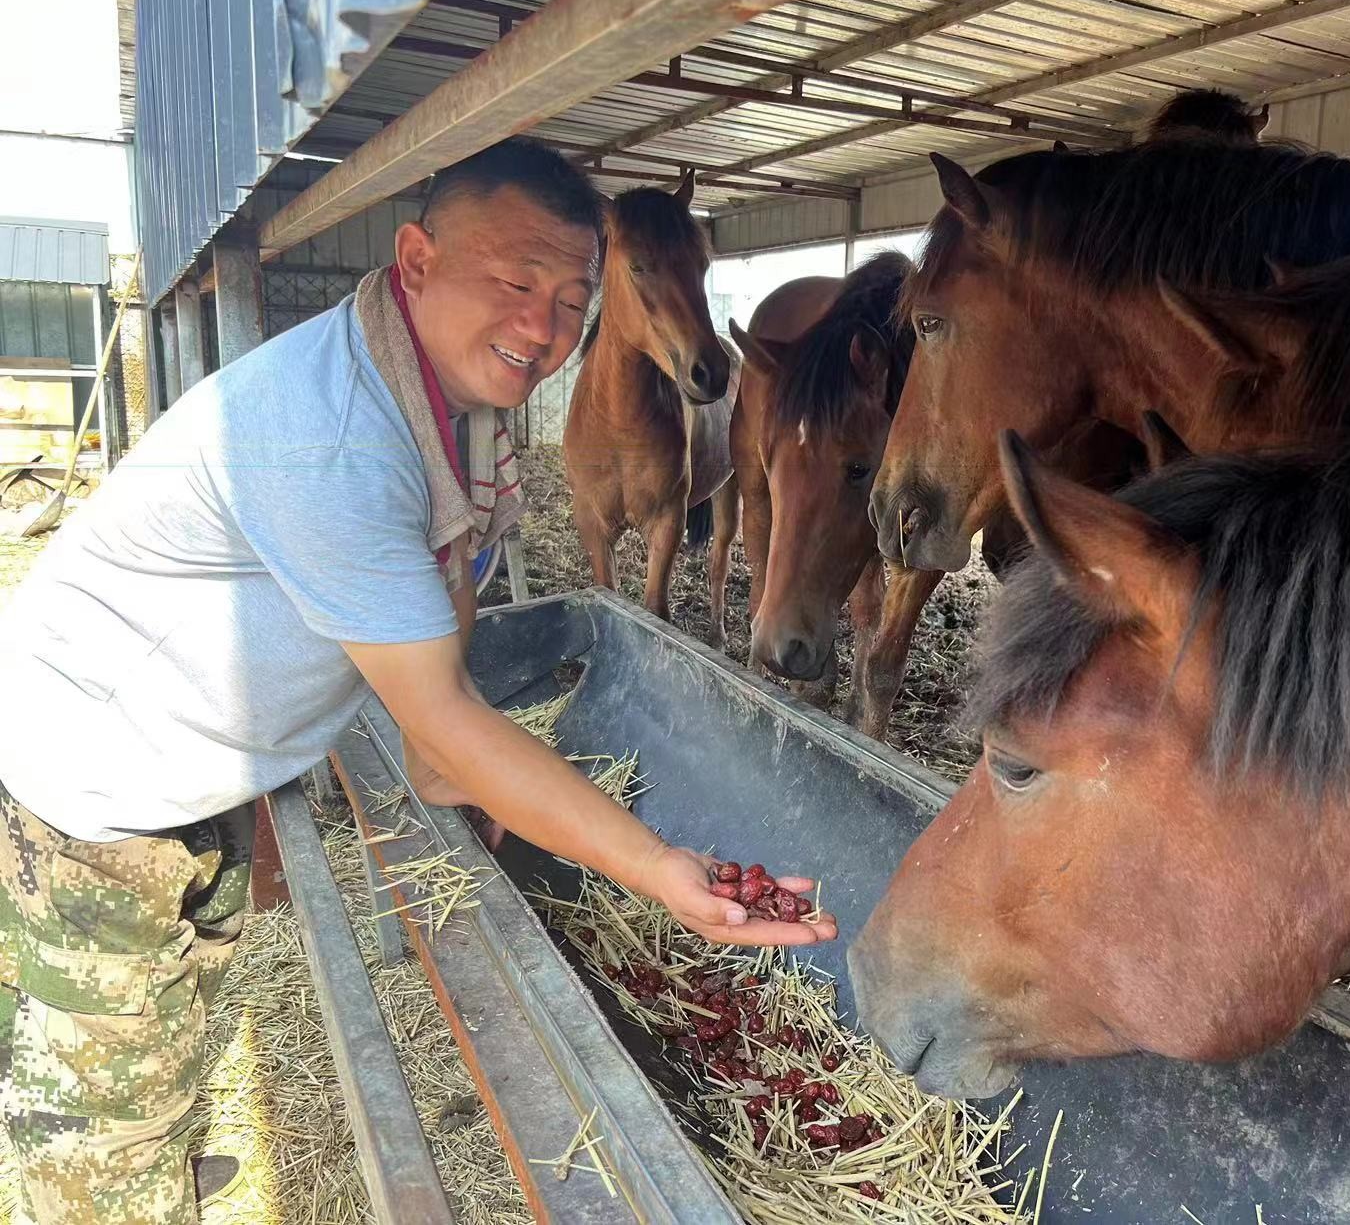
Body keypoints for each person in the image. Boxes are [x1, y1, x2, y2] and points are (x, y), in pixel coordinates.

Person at [0, 139, 835, 1225]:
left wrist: (470, 778)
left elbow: (448, 602)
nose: (543, 326)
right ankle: (106, 1181)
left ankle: (154, 1148)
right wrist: (661, 868)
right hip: (102, 777)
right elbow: (437, 710)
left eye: (574, 298)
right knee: (101, 1096)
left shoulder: (452, 401)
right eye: (516, 282)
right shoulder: (332, 435)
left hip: (196, 755)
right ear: (415, 259)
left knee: (189, 994)